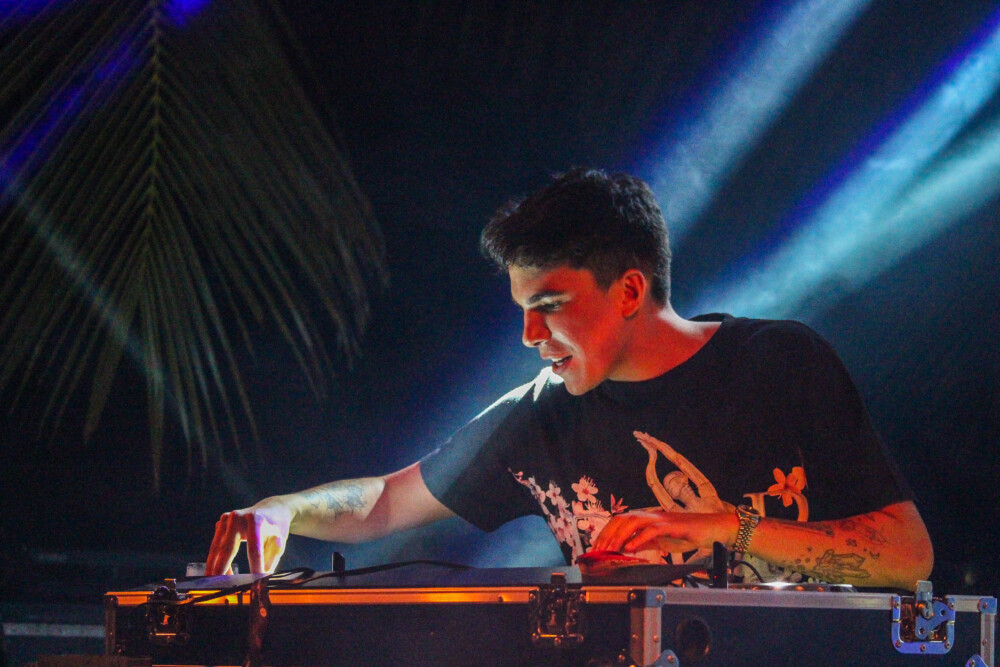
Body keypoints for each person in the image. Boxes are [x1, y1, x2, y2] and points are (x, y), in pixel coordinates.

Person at [206, 168, 933, 588]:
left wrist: (725, 527)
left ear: (628, 290)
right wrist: (284, 509)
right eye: (523, 310)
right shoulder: (540, 413)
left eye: (550, 306)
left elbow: (909, 554)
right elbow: (386, 502)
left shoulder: (781, 362)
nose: (530, 335)